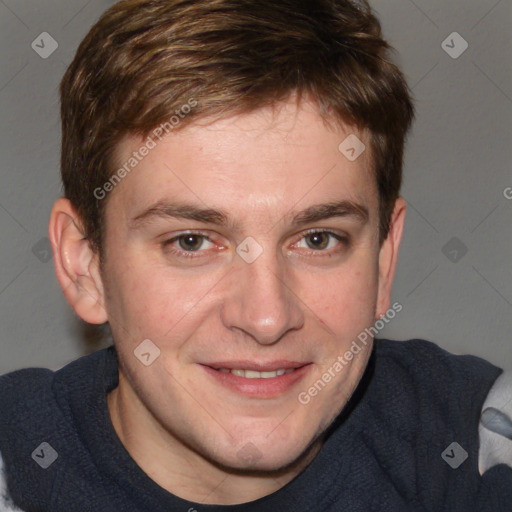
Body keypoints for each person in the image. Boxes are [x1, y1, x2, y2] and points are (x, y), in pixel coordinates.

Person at [1, 0, 511, 510]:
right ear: (85, 265)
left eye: (317, 239)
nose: (266, 318)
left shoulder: (482, 442)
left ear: (383, 260)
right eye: (192, 242)